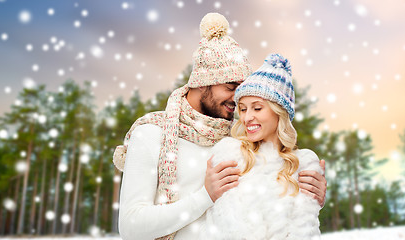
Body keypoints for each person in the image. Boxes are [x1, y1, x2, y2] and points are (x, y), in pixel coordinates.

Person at [113, 13, 327, 240]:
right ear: (201, 83)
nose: (237, 100)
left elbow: (272, 199)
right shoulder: (151, 133)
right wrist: (205, 196)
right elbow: (131, 228)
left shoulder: (241, 138)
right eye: (230, 86)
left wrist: (310, 197)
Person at [201, 53, 322, 239]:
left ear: (279, 113)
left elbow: (305, 230)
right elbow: (219, 227)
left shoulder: (302, 165)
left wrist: (315, 200)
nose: (247, 117)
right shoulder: (230, 156)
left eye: (257, 108)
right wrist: (205, 194)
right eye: (242, 108)